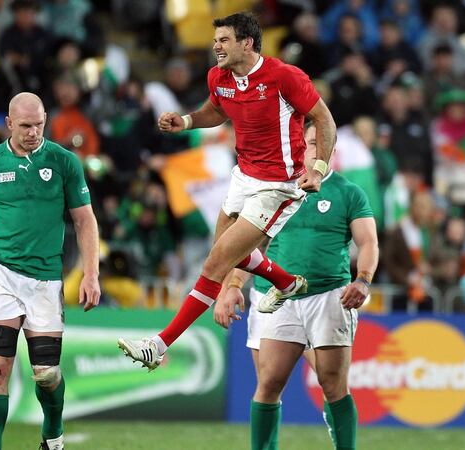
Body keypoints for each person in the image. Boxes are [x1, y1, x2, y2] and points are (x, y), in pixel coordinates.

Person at [118, 12, 336, 370]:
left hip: (279, 185)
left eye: (223, 40)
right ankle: (286, 283)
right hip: (243, 177)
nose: (215, 46)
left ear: (246, 43)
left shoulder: (284, 76)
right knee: (228, 256)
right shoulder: (218, 77)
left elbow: (324, 120)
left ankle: (159, 344)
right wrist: (186, 121)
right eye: (215, 40)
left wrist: (318, 169)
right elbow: (216, 110)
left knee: (217, 261)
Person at [0, 92, 100, 450]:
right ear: (8, 124)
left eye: (39, 124)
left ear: (46, 119)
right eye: (25, 126)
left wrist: (91, 274)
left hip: (47, 280)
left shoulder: (64, 162)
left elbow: (85, 220)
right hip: (1, 275)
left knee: (46, 375)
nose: (33, 132)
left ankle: (53, 429)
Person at [215, 122, 379, 450]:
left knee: (333, 384)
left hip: (330, 297)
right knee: (269, 381)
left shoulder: (348, 192)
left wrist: (363, 280)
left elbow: (369, 242)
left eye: (322, 144)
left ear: (331, 150)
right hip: (277, 296)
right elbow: (251, 246)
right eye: (311, 143)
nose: (316, 149)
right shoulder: (274, 190)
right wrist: (233, 285)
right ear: (299, 146)